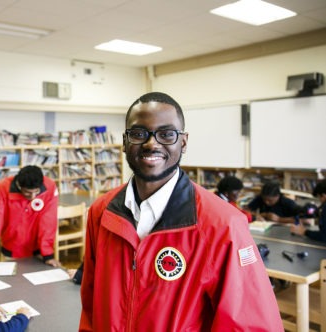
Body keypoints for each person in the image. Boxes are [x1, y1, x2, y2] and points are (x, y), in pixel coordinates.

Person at [79, 92, 282, 331]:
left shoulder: (223, 223)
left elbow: (250, 323)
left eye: (166, 134)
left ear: (183, 142)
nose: (151, 143)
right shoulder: (101, 212)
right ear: (125, 142)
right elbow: (91, 301)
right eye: (138, 133)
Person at [0, 165, 60, 267]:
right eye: (27, 192)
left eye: (36, 192)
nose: (32, 197)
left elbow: (48, 222)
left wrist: (48, 255)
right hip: (12, 246)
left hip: (38, 249)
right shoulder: (4, 187)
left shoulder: (50, 187)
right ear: (19, 186)